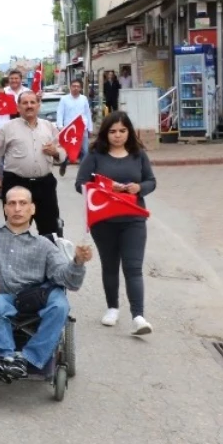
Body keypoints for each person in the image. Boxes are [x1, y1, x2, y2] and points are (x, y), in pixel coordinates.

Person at [0, 187, 93, 380]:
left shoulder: (44, 245)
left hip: (35, 298)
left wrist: (78, 262)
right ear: (5, 208)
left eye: (23, 203)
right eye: (12, 203)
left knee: (61, 304)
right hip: (4, 297)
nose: (17, 208)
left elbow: (69, 281)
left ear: (32, 209)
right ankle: (7, 357)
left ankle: (29, 359)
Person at [75, 111, 157, 335]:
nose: (118, 135)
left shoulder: (138, 154)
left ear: (129, 132)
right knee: (110, 265)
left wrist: (139, 187)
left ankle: (138, 316)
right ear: (105, 133)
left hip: (133, 219)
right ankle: (112, 308)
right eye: (112, 131)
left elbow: (151, 181)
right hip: (104, 220)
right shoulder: (95, 156)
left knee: (133, 267)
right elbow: (80, 184)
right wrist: (106, 188)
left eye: (122, 131)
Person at [0, 91, 66, 237]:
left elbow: (63, 152)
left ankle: (48, 258)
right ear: (18, 107)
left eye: (32, 102)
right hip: (16, 184)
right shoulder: (7, 128)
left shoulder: (49, 127)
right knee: (16, 231)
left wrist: (55, 152)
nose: (29, 106)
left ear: (38, 106)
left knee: (50, 231)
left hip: (44, 185)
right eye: (25, 103)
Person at [56, 78, 93, 166]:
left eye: (78, 86)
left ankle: (84, 166)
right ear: (70, 87)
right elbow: (60, 113)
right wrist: (60, 126)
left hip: (82, 128)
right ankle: (64, 164)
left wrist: (90, 128)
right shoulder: (64, 99)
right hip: (69, 129)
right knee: (68, 149)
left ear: (80, 88)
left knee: (85, 149)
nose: (76, 88)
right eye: (74, 86)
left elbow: (87, 113)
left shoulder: (84, 99)